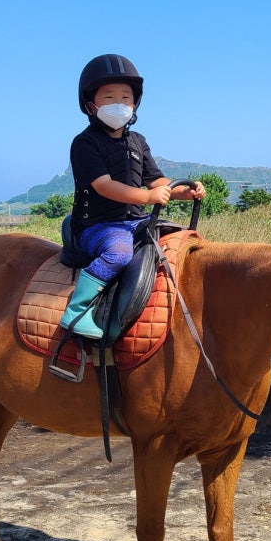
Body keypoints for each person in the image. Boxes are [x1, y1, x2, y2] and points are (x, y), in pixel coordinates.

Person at [59, 54, 205, 339]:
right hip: (99, 226)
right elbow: (104, 186)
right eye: (109, 97)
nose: (119, 104)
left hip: (135, 222)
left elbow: (157, 179)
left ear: (135, 103)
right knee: (119, 253)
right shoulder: (85, 143)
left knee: (178, 246)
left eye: (126, 97)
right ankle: (77, 310)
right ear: (91, 104)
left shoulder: (138, 141)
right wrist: (147, 196)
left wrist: (183, 192)